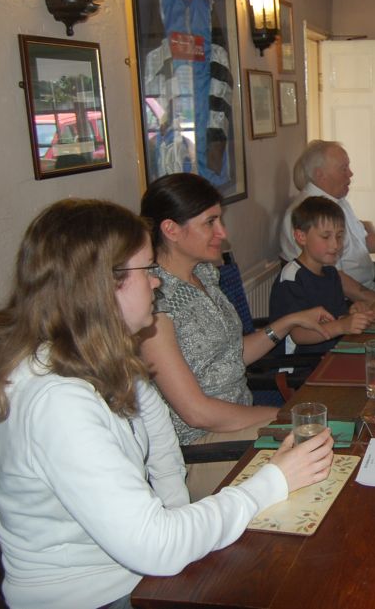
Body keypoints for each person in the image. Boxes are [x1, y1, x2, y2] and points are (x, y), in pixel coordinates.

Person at [0, 198, 334, 609]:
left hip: (139, 572)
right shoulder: (57, 404)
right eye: (147, 271)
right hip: (94, 597)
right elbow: (154, 545)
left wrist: (180, 530)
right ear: (102, 286)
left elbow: (164, 457)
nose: (157, 283)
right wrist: (272, 480)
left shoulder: (108, 359)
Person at [140, 173, 334, 501]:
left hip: (240, 426)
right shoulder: (154, 302)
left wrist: (287, 322)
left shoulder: (203, 275)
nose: (223, 233)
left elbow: (231, 355)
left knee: (332, 444)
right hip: (204, 450)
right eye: (210, 222)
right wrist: (281, 416)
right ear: (171, 229)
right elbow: (196, 413)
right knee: (324, 465)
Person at [279, 140, 375, 300]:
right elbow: (335, 279)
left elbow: (364, 242)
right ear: (320, 175)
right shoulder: (306, 213)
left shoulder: (338, 201)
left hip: (371, 287)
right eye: (343, 168)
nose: (351, 174)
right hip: (348, 301)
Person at [270, 196, 375, 356]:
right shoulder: (292, 279)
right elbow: (299, 335)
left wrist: (352, 313)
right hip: (301, 366)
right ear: (301, 237)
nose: (335, 245)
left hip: (332, 354)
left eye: (339, 236)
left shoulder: (331, 274)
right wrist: (342, 326)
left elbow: (336, 317)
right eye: (326, 237)